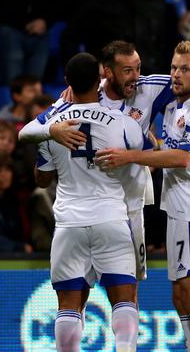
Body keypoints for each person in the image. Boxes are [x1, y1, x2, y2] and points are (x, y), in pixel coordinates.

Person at [20, 40, 190, 283]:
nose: (136, 76)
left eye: (138, 67)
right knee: (83, 282)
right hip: (91, 199)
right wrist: (53, 129)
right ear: (107, 72)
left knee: (129, 281)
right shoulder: (83, 93)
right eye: (128, 70)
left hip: (132, 198)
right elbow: (31, 129)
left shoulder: (149, 88)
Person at [95, 41, 190, 352]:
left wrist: (130, 156)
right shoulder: (176, 106)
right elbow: (165, 148)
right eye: (174, 68)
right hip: (178, 209)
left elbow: (182, 158)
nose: (177, 75)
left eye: (185, 70)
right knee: (180, 296)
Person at [34, 52, 144, 351]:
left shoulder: (51, 126)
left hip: (69, 223)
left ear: (66, 82)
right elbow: (147, 156)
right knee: (124, 298)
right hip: (111, 218)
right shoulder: (123, 123)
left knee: (69, 304)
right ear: (100, 81)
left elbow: (42, 179)